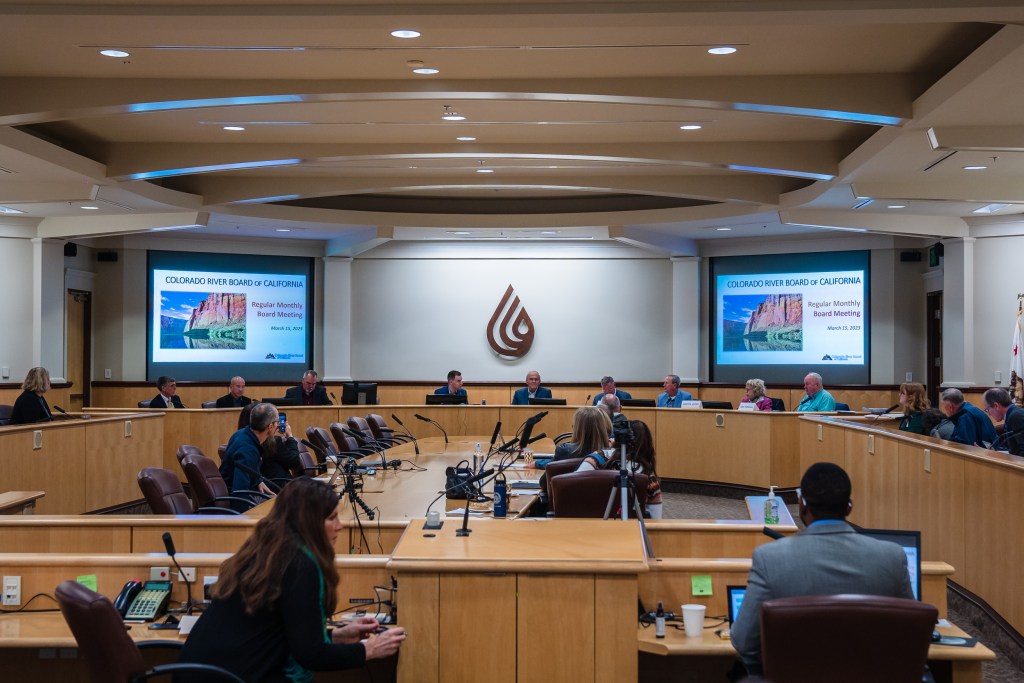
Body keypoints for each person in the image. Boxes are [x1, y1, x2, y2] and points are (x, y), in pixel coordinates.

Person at [178, 478, 406, 681]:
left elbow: (287, 635)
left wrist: (336, 635)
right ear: (310, 523)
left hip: (204, 672)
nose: (340, 525)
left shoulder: (267, 551)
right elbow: (311, 655)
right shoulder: (300, 565)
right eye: (332, 518)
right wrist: (368, 650)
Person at [730, 462, 914, 676]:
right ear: (849, 507)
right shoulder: (892, 557)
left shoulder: (769, 558)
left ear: (802, 505)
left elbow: (743, 641)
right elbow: (912, 632)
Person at [577, 419, 663, 519]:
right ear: (647, 445)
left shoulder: (596, 459)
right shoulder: (649, 479)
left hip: (589, 521)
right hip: (631, 527)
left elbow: (575, 483)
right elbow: (656, 519)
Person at [219, 402, 279, 511]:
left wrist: (258, 481)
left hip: (243, 492)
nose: (278, 425)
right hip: (235, 501)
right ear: (270, 427)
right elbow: (240, 492)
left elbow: (249, 471)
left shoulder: (241, 433)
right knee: (282, 508)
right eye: (277, 422)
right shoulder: (248, 451)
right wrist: (243, 520)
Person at [237, 403, 302, 483]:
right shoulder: (272, 443)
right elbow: (294, 462)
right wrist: (290, 437)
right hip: (278, 487)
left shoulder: (239, 439)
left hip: (261, 486)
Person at [983, 387, 1024, 455]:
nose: (989, 414)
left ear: (996, 406)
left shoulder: (1015, 417)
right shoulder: (1012, 414)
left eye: (987, 409)